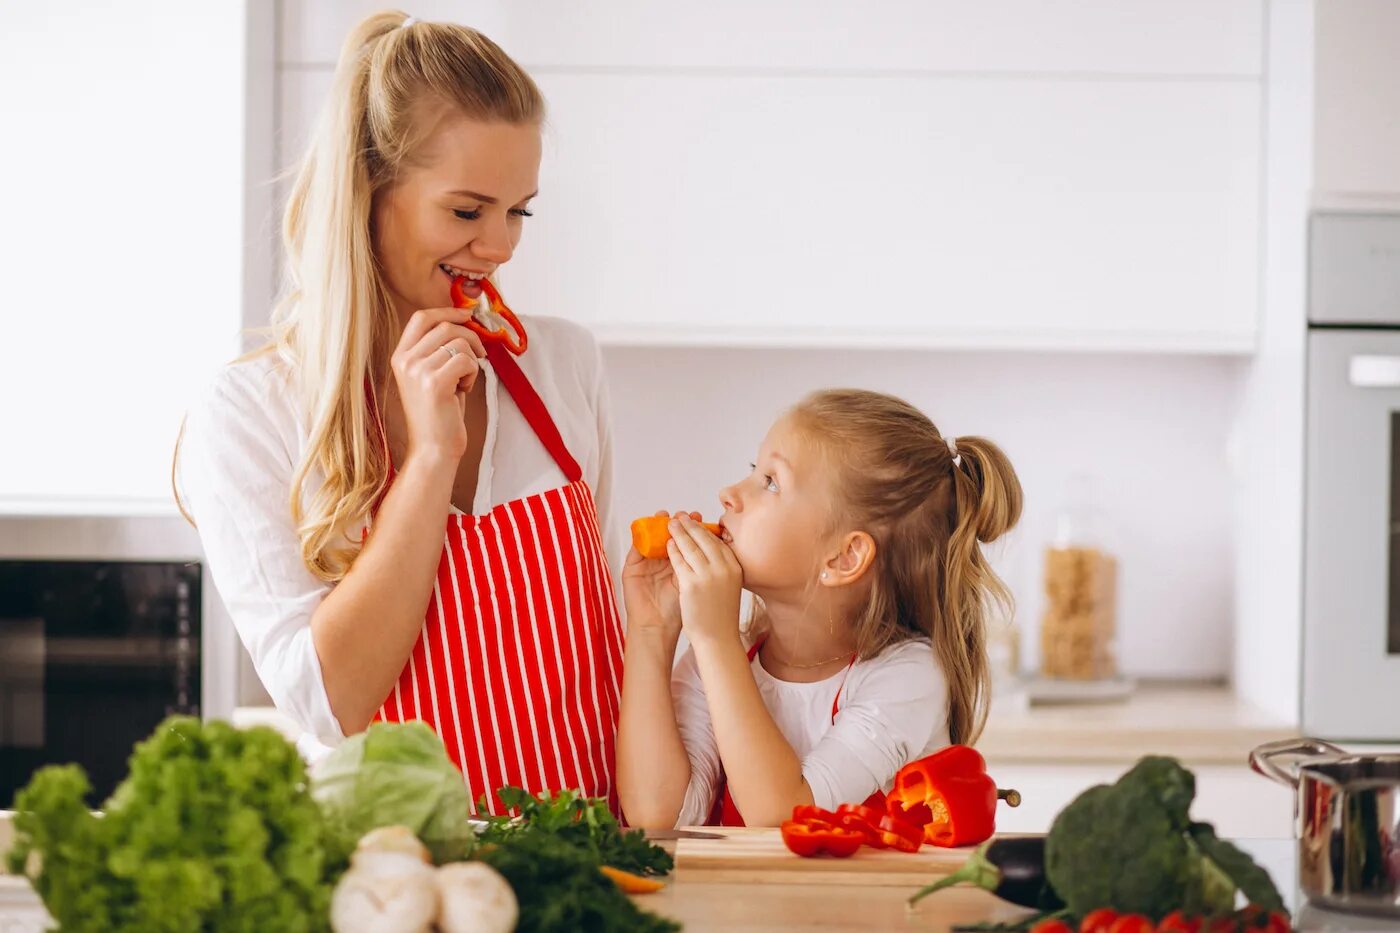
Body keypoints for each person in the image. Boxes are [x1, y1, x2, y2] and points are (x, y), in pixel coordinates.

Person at [175, 11, 625, 815]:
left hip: (591, 869)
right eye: (466, 211)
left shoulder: (562, 366)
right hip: (393, 880)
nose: (501, 246)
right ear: (367, 193)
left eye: (519, 210)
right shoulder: (252, 413)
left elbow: (608, 656)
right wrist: (427, 459)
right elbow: (333, 699)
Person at [617, 388, 1023, 828]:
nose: (729, 494)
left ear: (843, 558)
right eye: (754, 470)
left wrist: (714, 639)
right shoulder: (724, 656)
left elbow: (784, 818)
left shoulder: (907, 677)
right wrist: (651, 631)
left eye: (771, 482)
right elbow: (657, 815)